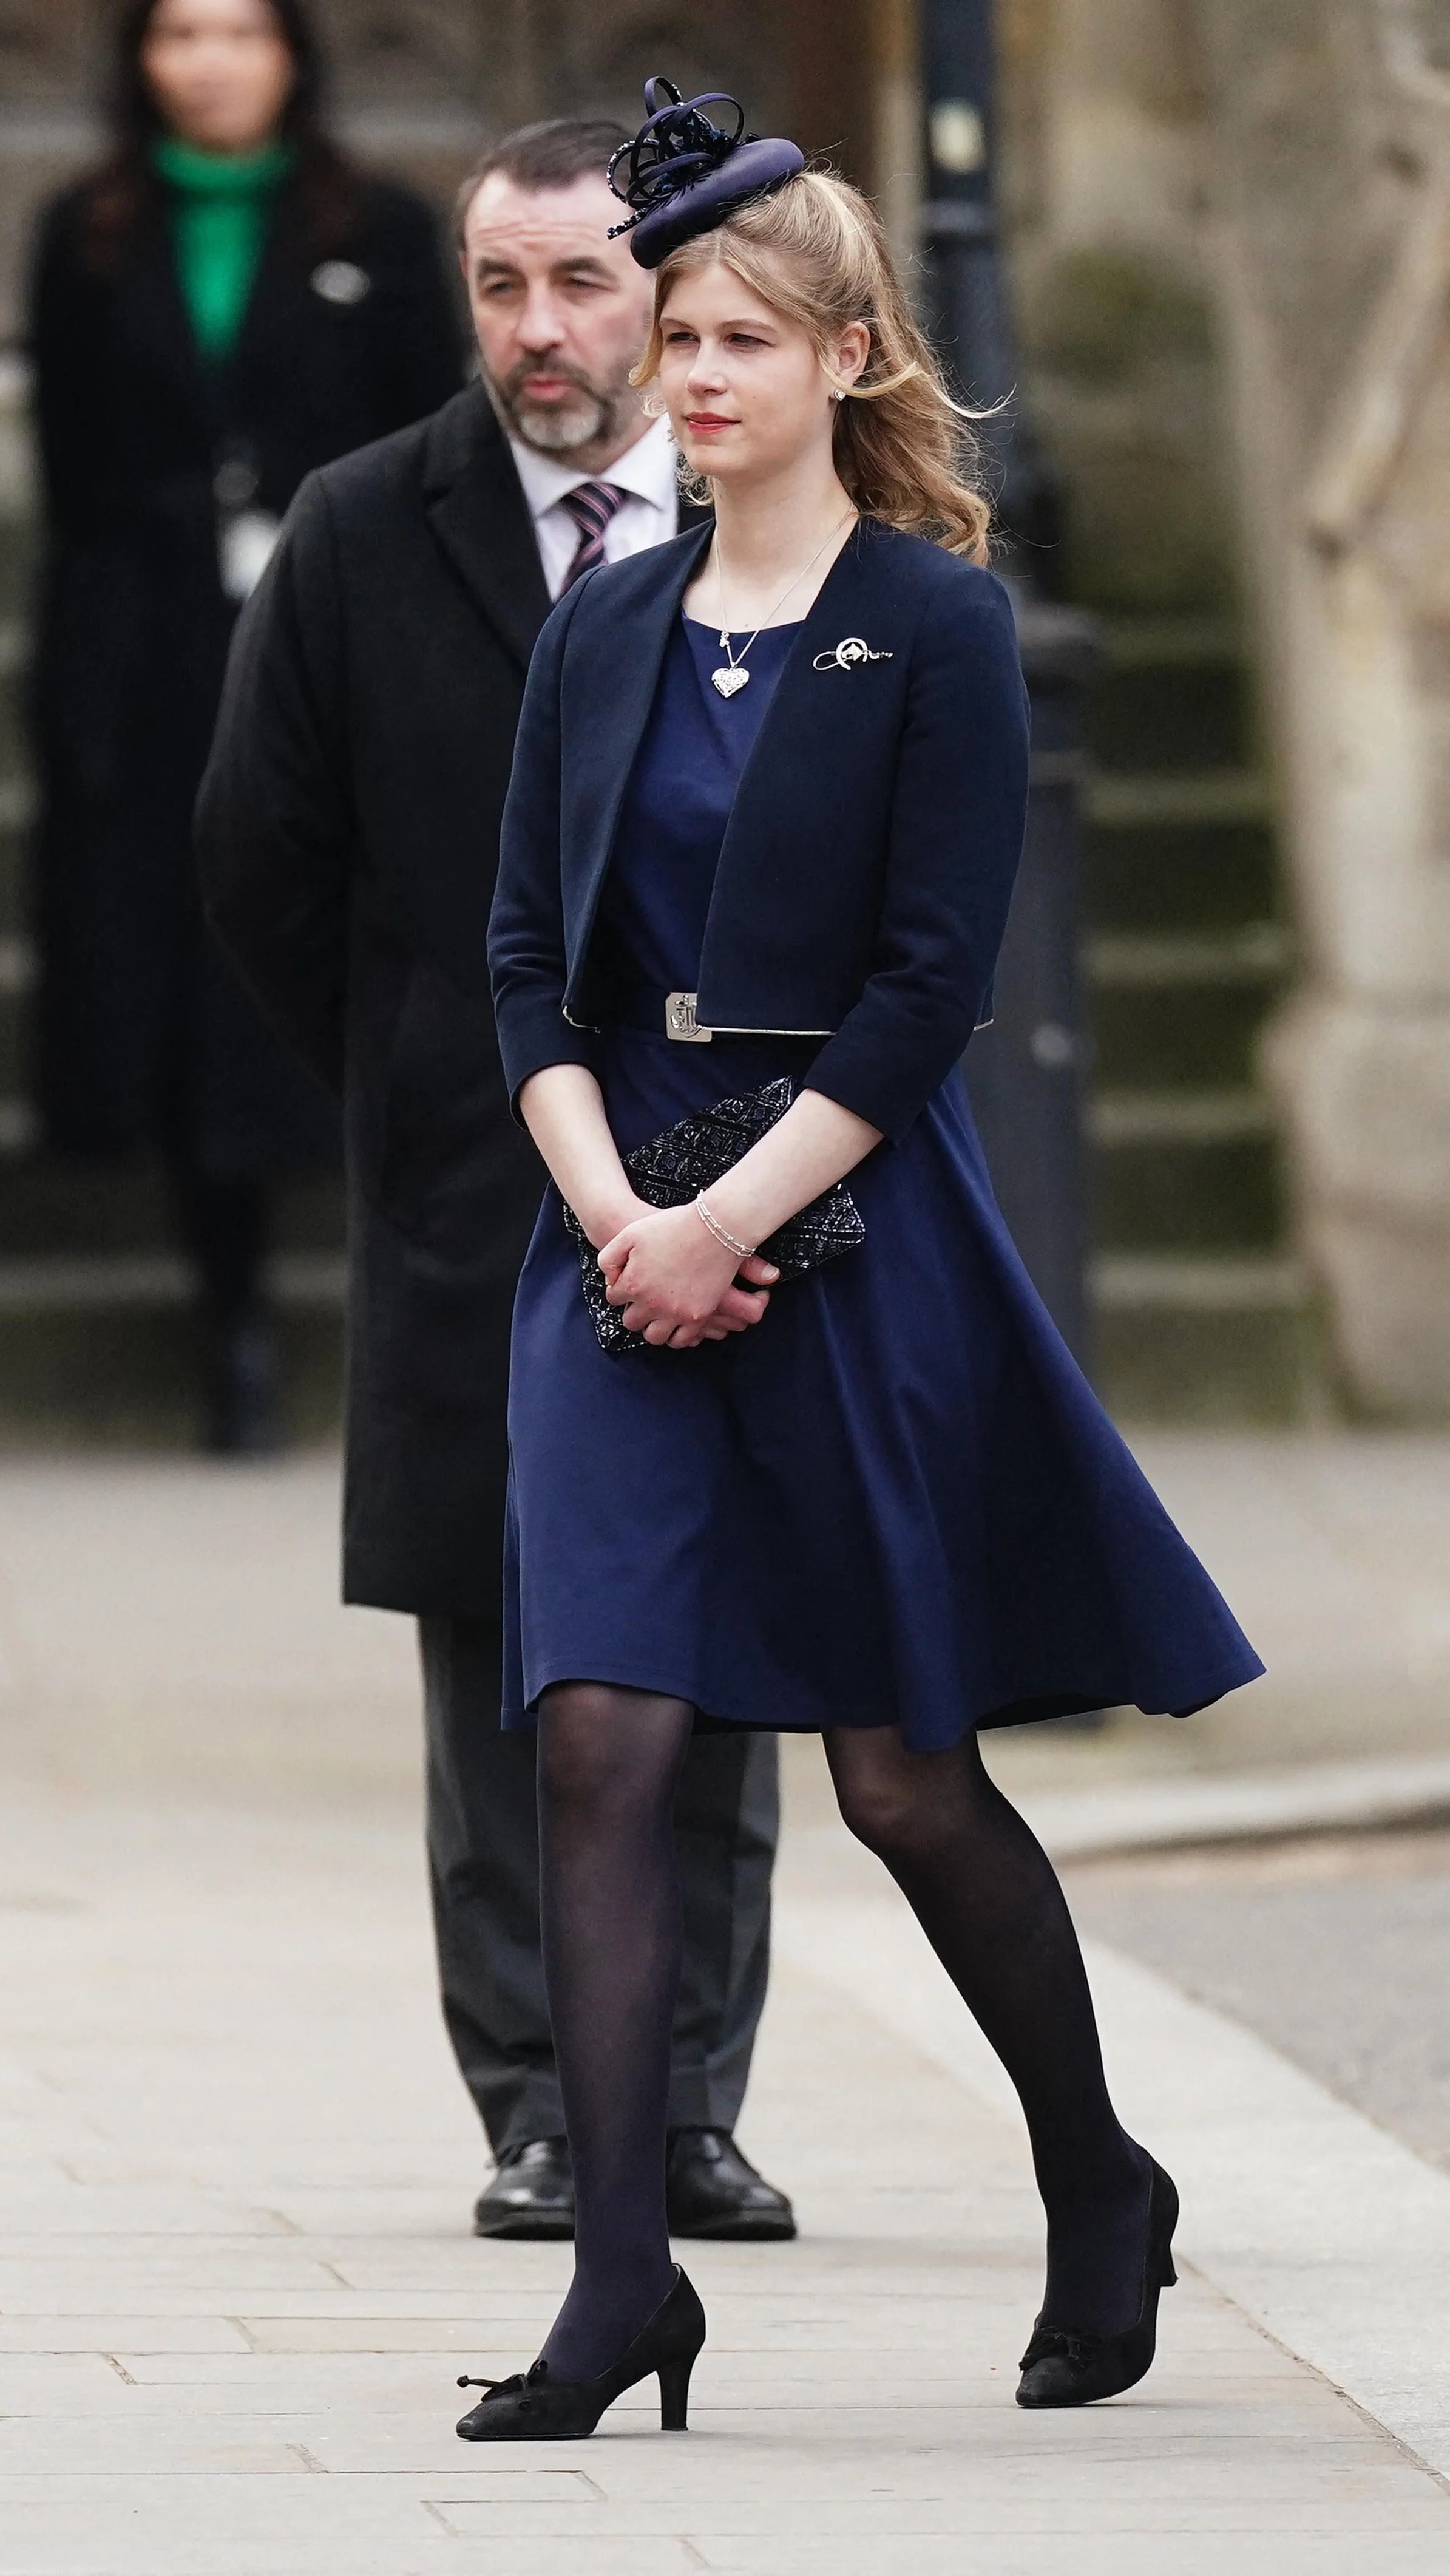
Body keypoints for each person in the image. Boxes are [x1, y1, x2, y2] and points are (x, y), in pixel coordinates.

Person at [463, 81, 1264, 2442]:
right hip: (611, 1234)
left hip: (845, 1219)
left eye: (737, 334)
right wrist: (617, 1206)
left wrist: (737, 1207)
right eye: (675, 335)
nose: (689, 370)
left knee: (899, 1778)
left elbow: (932, 986)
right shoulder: (599, 630)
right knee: (598, 1733)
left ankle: (1095, 2175)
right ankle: (623, 2284)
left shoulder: (935, 625)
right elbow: (523, 958)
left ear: (842, 354)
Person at [198, 118, 794, 2244]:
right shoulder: (368, 532)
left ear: (667, 292)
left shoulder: (772, 525)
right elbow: (259, 859)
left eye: (584, 285)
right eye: (500, 291)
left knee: (725, 1659)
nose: (542, 335)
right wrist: (417, 1082)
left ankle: (697, 2106)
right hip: (473, 1189)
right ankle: (542, 2105)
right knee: (502, 1661)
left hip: (740, 1187)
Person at [27, 0, 465, 1450]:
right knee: (176, 975)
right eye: (176, 33)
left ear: (291, 53)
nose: (206, 61)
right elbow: (70, 471)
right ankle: (231, 1323)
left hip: (329, 646)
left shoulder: (387, 229)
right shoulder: (85, 233)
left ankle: (397, 1296)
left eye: (235, 30)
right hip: (147, 659)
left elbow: (426, 454)